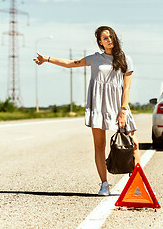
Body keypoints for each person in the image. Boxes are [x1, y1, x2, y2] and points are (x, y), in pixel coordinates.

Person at [33, 26, 141, 196]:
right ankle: (104, 184)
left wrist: (123, 110)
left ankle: (136, 184)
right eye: (105, 38)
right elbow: (70, 64)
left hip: (117, 106)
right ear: (100, 42)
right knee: (99, 145)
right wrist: (47, 59)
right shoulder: (95, 58)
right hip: (98, 105)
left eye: (111, 36)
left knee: (133, 144)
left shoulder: (126, 59)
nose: (109, 40)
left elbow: (126, 89)